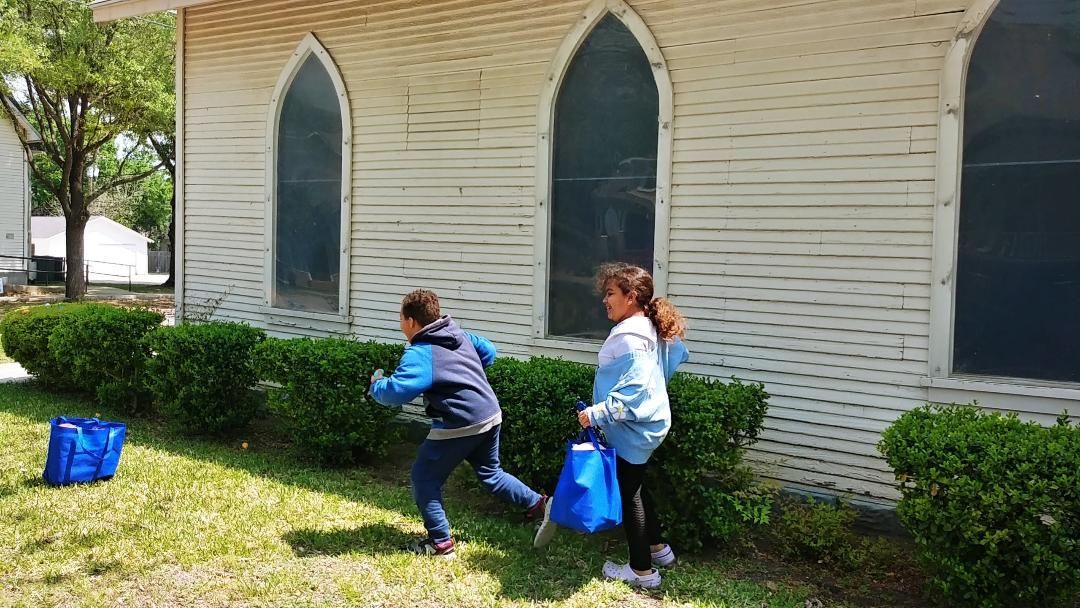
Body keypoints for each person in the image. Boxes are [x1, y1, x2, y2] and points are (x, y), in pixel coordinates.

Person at [369, 289, 557, 558]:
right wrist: (463, 372)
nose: (400, 326)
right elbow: (489, 351)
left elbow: (396, 392)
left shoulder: (422, 353)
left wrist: (377, 384)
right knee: (491, 473)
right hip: (489, 413)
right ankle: (540, 505)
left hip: (460, 421)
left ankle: (440, 543)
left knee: (424, 478)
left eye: (401, 319)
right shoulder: (459, 335)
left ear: (411, 321)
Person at [577, 263, 689, 588]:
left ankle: (642, 571)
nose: (604, 300)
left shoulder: (630, 337)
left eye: (610, 293)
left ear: (631, 297)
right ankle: (659, 549)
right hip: (647, 425)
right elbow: (675, 353)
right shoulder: (647, 326)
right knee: (636, 485)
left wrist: (597, 414)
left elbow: (636, 386)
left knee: (630, 495)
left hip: (633, 429)